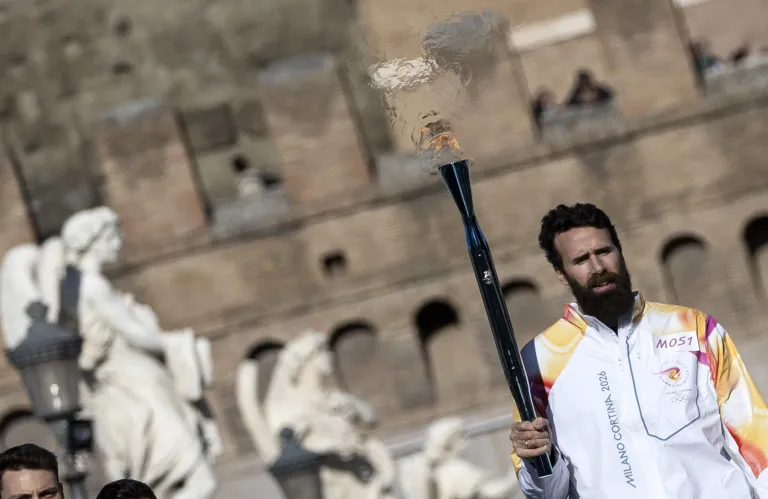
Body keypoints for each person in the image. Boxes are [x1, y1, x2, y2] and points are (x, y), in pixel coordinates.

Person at [508, 203, 768, 498]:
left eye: (604, 252)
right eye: (580, 260)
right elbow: (547, 493)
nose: (597, 268)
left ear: (619, 251)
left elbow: (756, 440)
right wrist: (537, 460)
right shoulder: (538, 361)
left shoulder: (692, 328)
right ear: (560, 273)